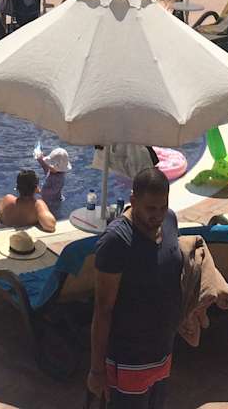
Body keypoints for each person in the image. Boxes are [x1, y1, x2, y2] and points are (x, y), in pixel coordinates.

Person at [89, 168, 182, 407]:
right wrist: (97, 370)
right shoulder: (116, 242)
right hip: (127, 360)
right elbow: (103, 310)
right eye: (150, 208)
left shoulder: (170, 221)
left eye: (163, 207)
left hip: (162, 352)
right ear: (133, 200)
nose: (157, 215)